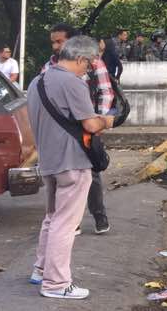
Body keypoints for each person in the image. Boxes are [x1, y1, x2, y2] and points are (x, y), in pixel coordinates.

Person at [28, 35, 115, 300]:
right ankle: (56, 283)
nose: (88, 70)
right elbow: (90, 124)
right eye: (88, 65)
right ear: (80, 59)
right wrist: (109, 121)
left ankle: (41, 270)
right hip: (72, 162)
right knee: (66, 224)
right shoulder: (72, 83)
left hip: (50, 161)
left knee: (52, 218)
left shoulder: (37, 81)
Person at [43, 24, 114, 236]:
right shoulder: (49, 67)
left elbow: (106, 92)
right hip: (61, 132)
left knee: (91, 174)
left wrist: (98, 122)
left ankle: (99, 215)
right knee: (62, 179)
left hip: (87, 127)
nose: (56, 46)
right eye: (53, 42)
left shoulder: (93, 63)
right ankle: (69, 221)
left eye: (60, 41)